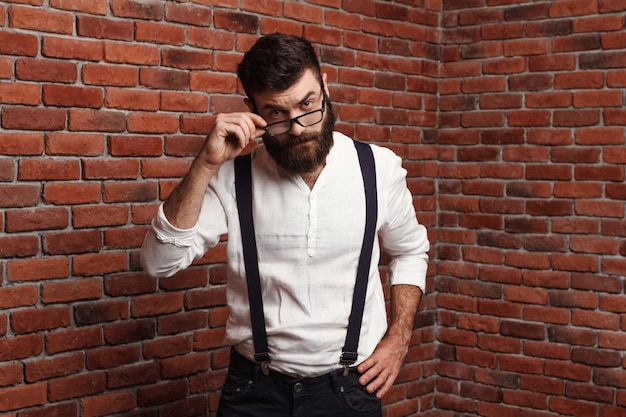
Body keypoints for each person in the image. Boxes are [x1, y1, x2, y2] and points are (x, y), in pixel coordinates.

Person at [141, 33, 429, 417]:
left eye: (308, 104)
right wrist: (205, 166)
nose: (298, 128)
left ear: (325, 85)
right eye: (277, 113)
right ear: (252, 109)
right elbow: (158, 263)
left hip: (349, 390)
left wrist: (399, 337)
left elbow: (409, 250)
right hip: (254, 392)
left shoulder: (377, 169)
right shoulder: (234, 178)